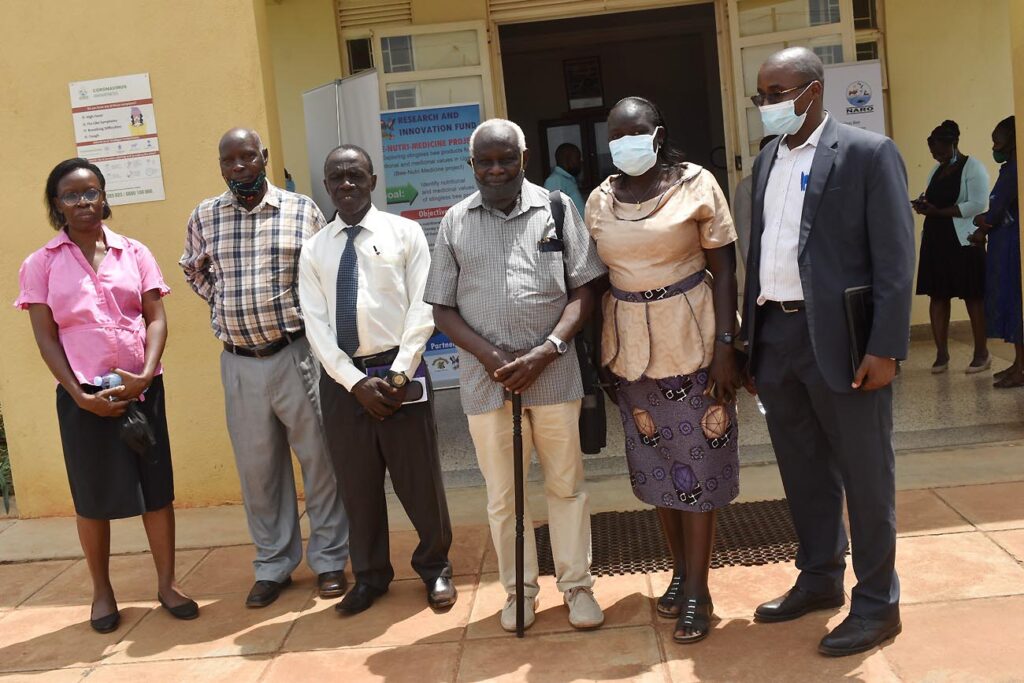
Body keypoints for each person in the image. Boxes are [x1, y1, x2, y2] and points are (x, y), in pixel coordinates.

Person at [741, 48, 914, 657]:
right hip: (778, 338)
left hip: (844, 340)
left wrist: (886, 345)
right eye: (760, 95)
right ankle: (818, 579)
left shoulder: (869, 154)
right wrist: (750, 343)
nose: (767, 105)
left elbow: (895, 258)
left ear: (813, 91)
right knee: (804, 472)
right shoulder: (765, 163)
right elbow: (760, 257)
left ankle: (877, 606)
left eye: (777, 92)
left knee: (867, 476)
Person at [424, 118, 607, 632]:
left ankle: (577, 588)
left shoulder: (555, 207)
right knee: (504, 497)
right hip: (488, 384)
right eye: (486, 161)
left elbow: (584, 291)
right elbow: (442, 308)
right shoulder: (455, 221)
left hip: (553, 375)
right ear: (472, 165)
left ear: (523, 160)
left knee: (566, 486)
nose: (497, 169)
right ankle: (518, 592)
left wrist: (546, 351)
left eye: (506, 159)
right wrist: (490, 357)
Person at [585, 97, 742, 644]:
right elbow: (597, 279)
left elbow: (724, 268)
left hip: (692, 342)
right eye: (616, 134)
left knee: (697, 470)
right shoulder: (600, 198)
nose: (625, 141)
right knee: (659, 470)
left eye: (636, 131)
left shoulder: (696, 184)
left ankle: (700, 592)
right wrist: (598, 356)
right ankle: (680, 572)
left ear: (657, 134)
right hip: (629, 349)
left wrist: (727, 344)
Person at [16, 158, 198, 633]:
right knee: (92, 498)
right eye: (72, 195)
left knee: (156, 493)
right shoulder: (41, 264)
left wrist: (144, 373)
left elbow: (155, 317)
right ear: (56, 204)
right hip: (84, 399)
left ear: (104, 196)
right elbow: (46, 337)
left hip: (141, 391)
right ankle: (102, 592)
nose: (84, 202)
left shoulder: (133, 252)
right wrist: (78, 395)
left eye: (92, 192)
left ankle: (167, 584)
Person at [180, 128, 350, 608]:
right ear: (221, 165)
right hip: (239, 363)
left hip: (297, 354)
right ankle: (274, 565)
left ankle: (331, 560)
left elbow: (323, 273)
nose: (238, 167)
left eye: (247, 157)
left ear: (264, 158)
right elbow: (194, 268)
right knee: (258, 473)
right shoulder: (205, 215)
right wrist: (225, 305)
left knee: (320, 463)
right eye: (228, 160)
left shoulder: (302, 211)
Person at [298, 144, 456, 615]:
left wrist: (399, 371)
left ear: (372, 180)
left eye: (355, 175)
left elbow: (423, 304)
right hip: (343, 381)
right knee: (357, 484)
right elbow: (316, 324)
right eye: (337, 177)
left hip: (398, 371)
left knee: (419, 479)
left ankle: (435, 568)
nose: (346, 184)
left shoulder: (405, 233)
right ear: (326, 186)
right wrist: (352, 381)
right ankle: (370, 576)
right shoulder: (314, 249)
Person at [913, 120, 991, 374]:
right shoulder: (937, 171)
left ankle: (981, 353)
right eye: (933, 152)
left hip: (964, 240)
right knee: (938, 295)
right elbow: (933, 198)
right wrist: (924, 204)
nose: (937, 156)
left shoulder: (973, 167)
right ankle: (941, 354)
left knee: (973, 296)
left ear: (953, 144)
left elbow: (977, 204)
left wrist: (939, 212)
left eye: (940, 151)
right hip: (937, 240)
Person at [971, 116, 1022, 387]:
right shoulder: (1010, 169)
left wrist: (983, 221)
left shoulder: (1015, 170)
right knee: (1008, 304)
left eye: (998, 142)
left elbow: (995, 210)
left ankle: (1021, 368)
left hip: (1011, 250)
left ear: (1012, 142)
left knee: (1014, 305)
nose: (994, 147)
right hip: (1003, 245)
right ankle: (1018, 363)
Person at [732, 136, 777, 267]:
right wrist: (753, 271)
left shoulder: (792, 181)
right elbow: (745, 236)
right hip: (765, 266)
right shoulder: (747, 187)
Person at [543, 142, 586, 215]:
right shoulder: (555, 181)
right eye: (577, 158)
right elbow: (556, 217)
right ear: (567, 159)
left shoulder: (567, 179)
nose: (581, 161)